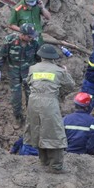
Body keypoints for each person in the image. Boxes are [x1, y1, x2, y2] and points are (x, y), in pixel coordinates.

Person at [24, 44, 76, 172]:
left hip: (33, 101)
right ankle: (56, 166)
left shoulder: (32, 68)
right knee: (55, 132)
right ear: (53, 57)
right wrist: (65, 72)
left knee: (39, 129)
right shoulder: (58, 70)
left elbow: (28, 82)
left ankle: (44, 161)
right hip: (49, 102)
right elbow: (71, 85)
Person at [0, 23, 41, 125]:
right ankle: (18, 116)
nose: (31, 38)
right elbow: (1, 55)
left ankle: (31, 117)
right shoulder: (10, 40)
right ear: (22, 34)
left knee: (31, 95)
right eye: (29, 36)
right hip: (14, 72)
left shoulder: (34, 43)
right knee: (16, 96)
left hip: (29, 72)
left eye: (32, 36)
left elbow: (39, 58)